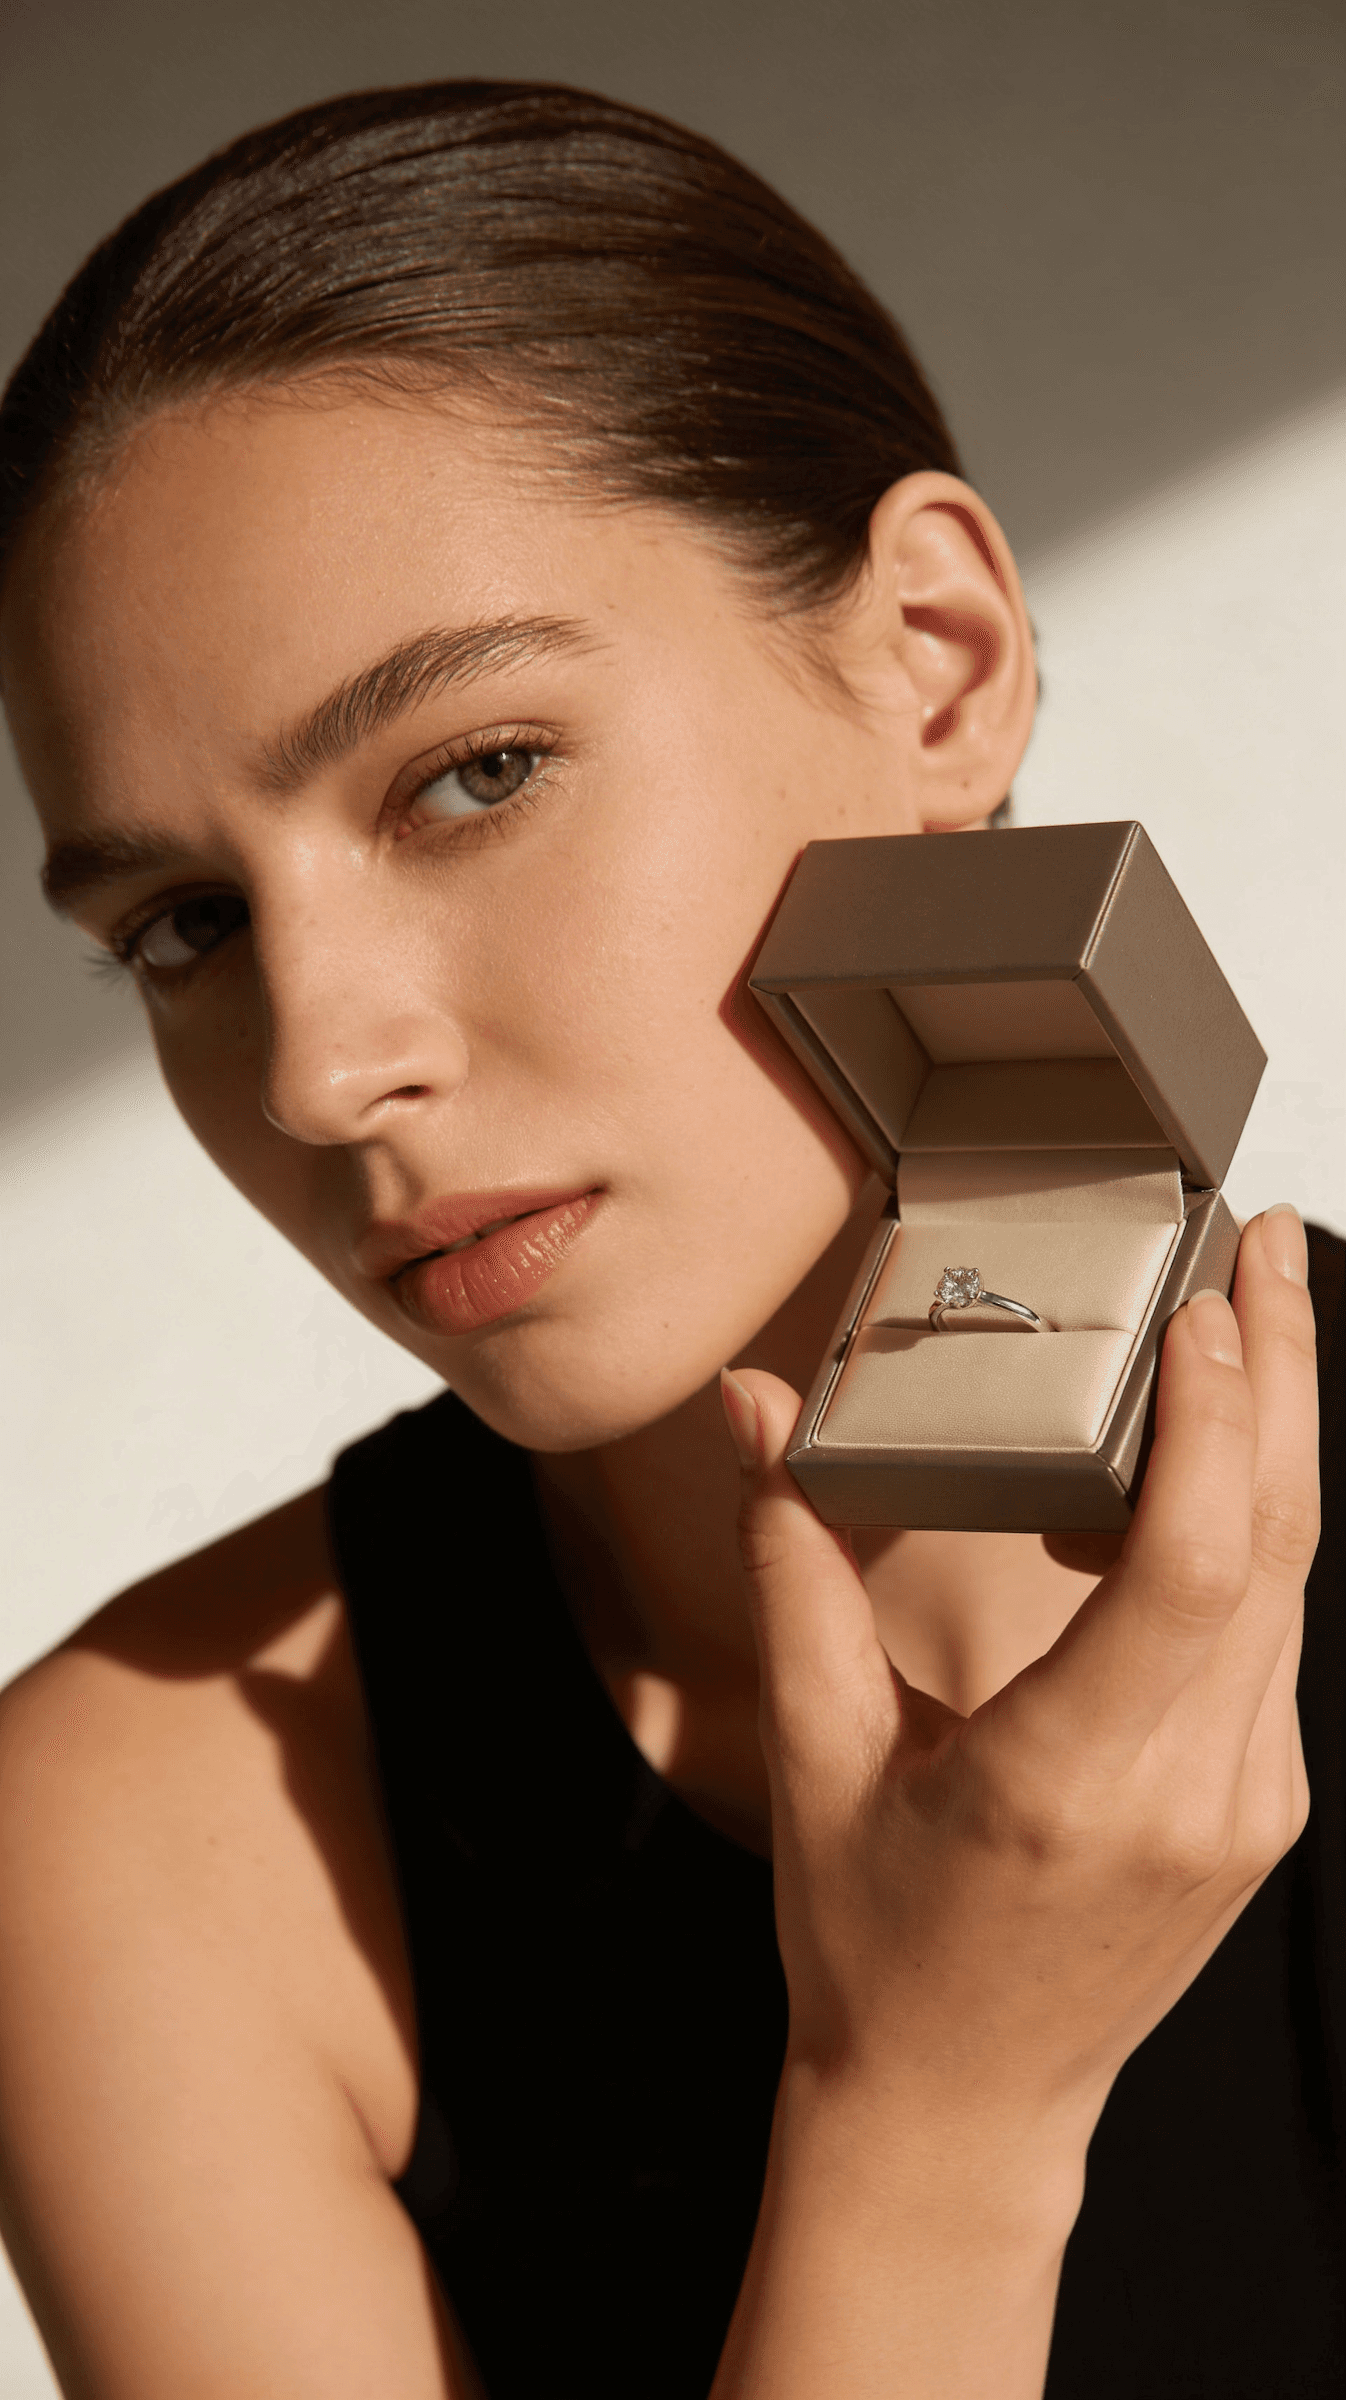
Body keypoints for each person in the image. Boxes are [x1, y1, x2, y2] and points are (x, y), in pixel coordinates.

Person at [0, 81, 1337, 2400]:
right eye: (189, 922)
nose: (316, 1068)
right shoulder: (146, 1848)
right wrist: (927, 2123)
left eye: (472, 773)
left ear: (934, 661)